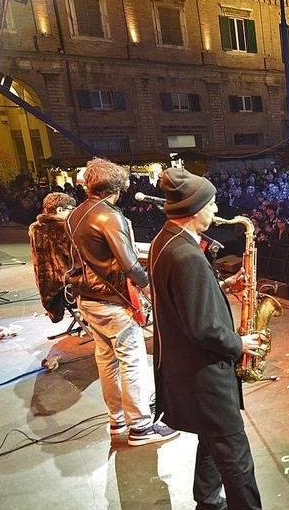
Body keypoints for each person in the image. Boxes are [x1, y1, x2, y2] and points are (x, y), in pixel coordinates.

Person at [148, 168, 265, 510]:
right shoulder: (186, 256)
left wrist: (227, 285)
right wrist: (239, 344)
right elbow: (202, 328)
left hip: (187, 370)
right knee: (235, 455)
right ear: (194, 208)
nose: (215, 211)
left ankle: (208, 500)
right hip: (205, 376)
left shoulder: (165, 241)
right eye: (211, 204)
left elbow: (184, 301)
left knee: (210, 437)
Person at [67, 158, 177, 444]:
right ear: (116, 187)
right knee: (133, 361)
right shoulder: (109, 216)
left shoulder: (75, 214)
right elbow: (129, 264)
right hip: (112, 301)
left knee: (106, 360)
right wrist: (150, 289)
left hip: (86, 299)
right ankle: (141, 426)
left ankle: (116, 421)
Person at [29, 192, 76, 323]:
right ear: (60, 209)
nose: (73, 213)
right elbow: (75, 255)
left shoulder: (36, 227)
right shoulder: (62, 227)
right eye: (71, 210)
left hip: (47, 285)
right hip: (64, 285)